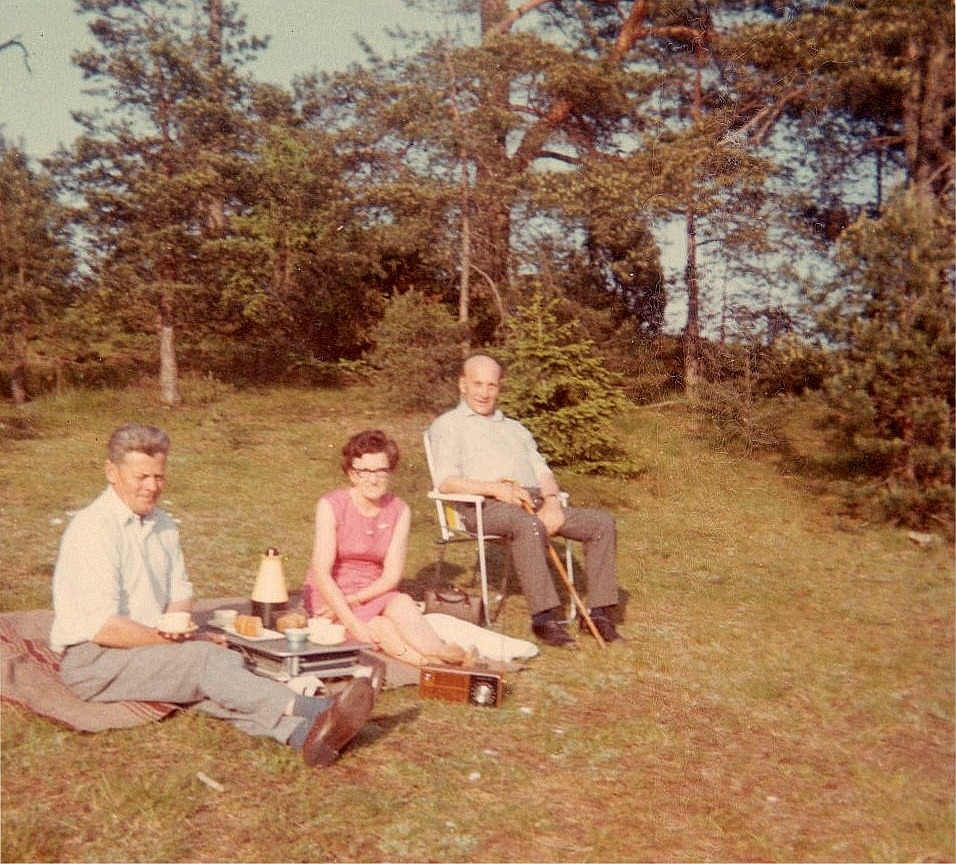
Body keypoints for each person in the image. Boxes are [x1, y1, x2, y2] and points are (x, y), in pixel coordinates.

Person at [49, 423, 376, 768]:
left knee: (210, 684)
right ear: (112, 472)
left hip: (143, 649)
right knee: (204, 662)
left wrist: (177, 625)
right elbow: (104, 629)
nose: (151, 487)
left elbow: (179, 595)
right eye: (141, 477)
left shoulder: (163, 525)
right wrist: (176, 645)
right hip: (96, 661)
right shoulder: (92, 530)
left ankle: (304, 735)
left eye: (159, 477)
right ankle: (317, 708)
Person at [427, 354, 624, 647]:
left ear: (499, 388)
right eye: (477, 384)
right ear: (462, 385)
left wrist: (553, 501)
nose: (484, 392)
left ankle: (598, 614)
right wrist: (494, 489)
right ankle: (544, 618)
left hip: (533, 501)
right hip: (482, 506)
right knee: (527, 524)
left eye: (491, 385)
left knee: (601, 523)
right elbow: (446, 481)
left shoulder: (515, 429)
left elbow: (542, 471)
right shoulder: (449, 425)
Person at [302, 429, 470, 668]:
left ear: (390, 471)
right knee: (380, 627)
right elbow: (321, 572)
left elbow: (392, 576)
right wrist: (351, 621)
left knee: (402, 602)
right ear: (352, 474)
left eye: (381, 471)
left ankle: (443, 654)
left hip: (372, 592)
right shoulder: (331, 505)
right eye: (364, 472)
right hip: (330, 597)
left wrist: (355, 600)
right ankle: (433, 666)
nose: (373, 479)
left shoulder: (399, 510)